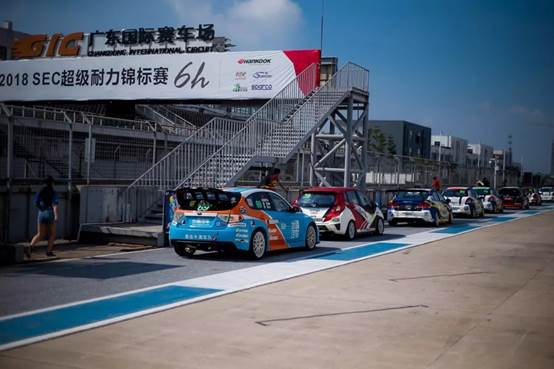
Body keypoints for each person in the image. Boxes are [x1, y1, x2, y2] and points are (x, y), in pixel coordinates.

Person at [28, 176, 59, 258]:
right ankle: (48, 252)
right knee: (52, 234)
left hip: (41, 213)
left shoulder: (40, 191)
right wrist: (56, 215)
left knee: (40, 234)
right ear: (51, 183)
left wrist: (42, 209)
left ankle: (30, 247)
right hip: (50, 213)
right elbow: (55, 205)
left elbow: (36, 203)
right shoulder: (53, 192)